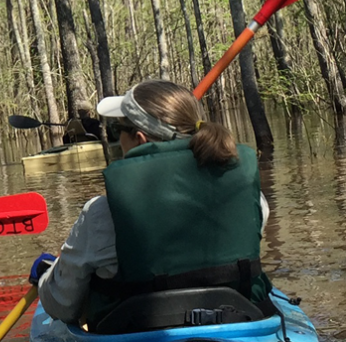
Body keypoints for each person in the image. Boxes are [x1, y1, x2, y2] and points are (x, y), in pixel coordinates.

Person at [29, 80, 272, 331]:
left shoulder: (101, 214)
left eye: (116, 130)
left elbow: (62, 306)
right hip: (239, 323)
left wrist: (46, 278)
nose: (114, 139)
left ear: (139, 138)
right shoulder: (252, 198)